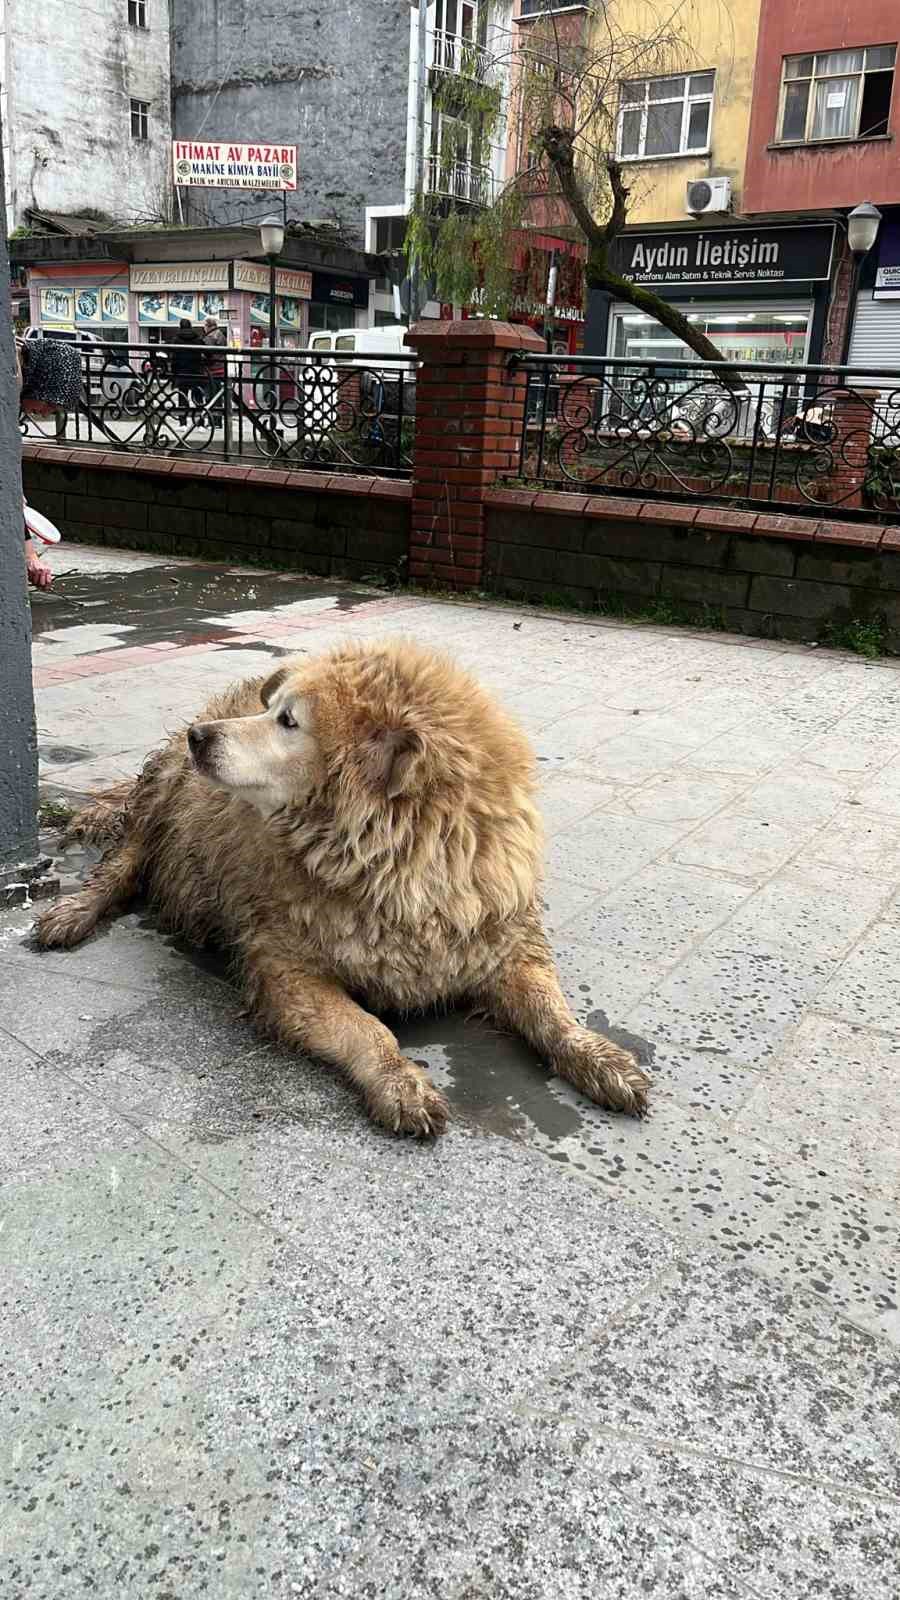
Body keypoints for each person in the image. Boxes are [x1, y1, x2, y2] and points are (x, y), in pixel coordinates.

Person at [170, 318, 204, 422]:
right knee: (198, 398)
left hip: (182, 372)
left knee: (182, 398)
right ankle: (200, 423)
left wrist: (173, 373)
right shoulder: (198, 339)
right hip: (196, 372)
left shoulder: (176, 340)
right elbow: (208, 353)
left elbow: (173, 359)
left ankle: (182, 422)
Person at [202, 315, 227, 413]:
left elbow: (207, 355)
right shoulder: (221, 334)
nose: (203, 328)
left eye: (204, 325)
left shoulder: (210, 337)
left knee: (210, 396)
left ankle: (212, 418)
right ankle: (218, 420)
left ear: (208, 326)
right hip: (221, 368)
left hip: (212, 370)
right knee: (218, 396)